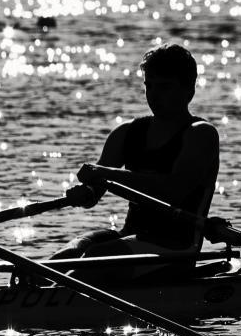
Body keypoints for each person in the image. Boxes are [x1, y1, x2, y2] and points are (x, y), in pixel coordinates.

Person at [53, 43, 219, 264]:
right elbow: (95, 191)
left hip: (176, 248)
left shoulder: (201, 135)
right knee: (64, 257)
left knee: (96, 258)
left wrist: (107, 174)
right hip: (131, 237)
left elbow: (173, 191)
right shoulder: (126, 133)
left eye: (164, 88)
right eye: (149, 86)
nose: (154, 96)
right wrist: (85, 193)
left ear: (189, 91)